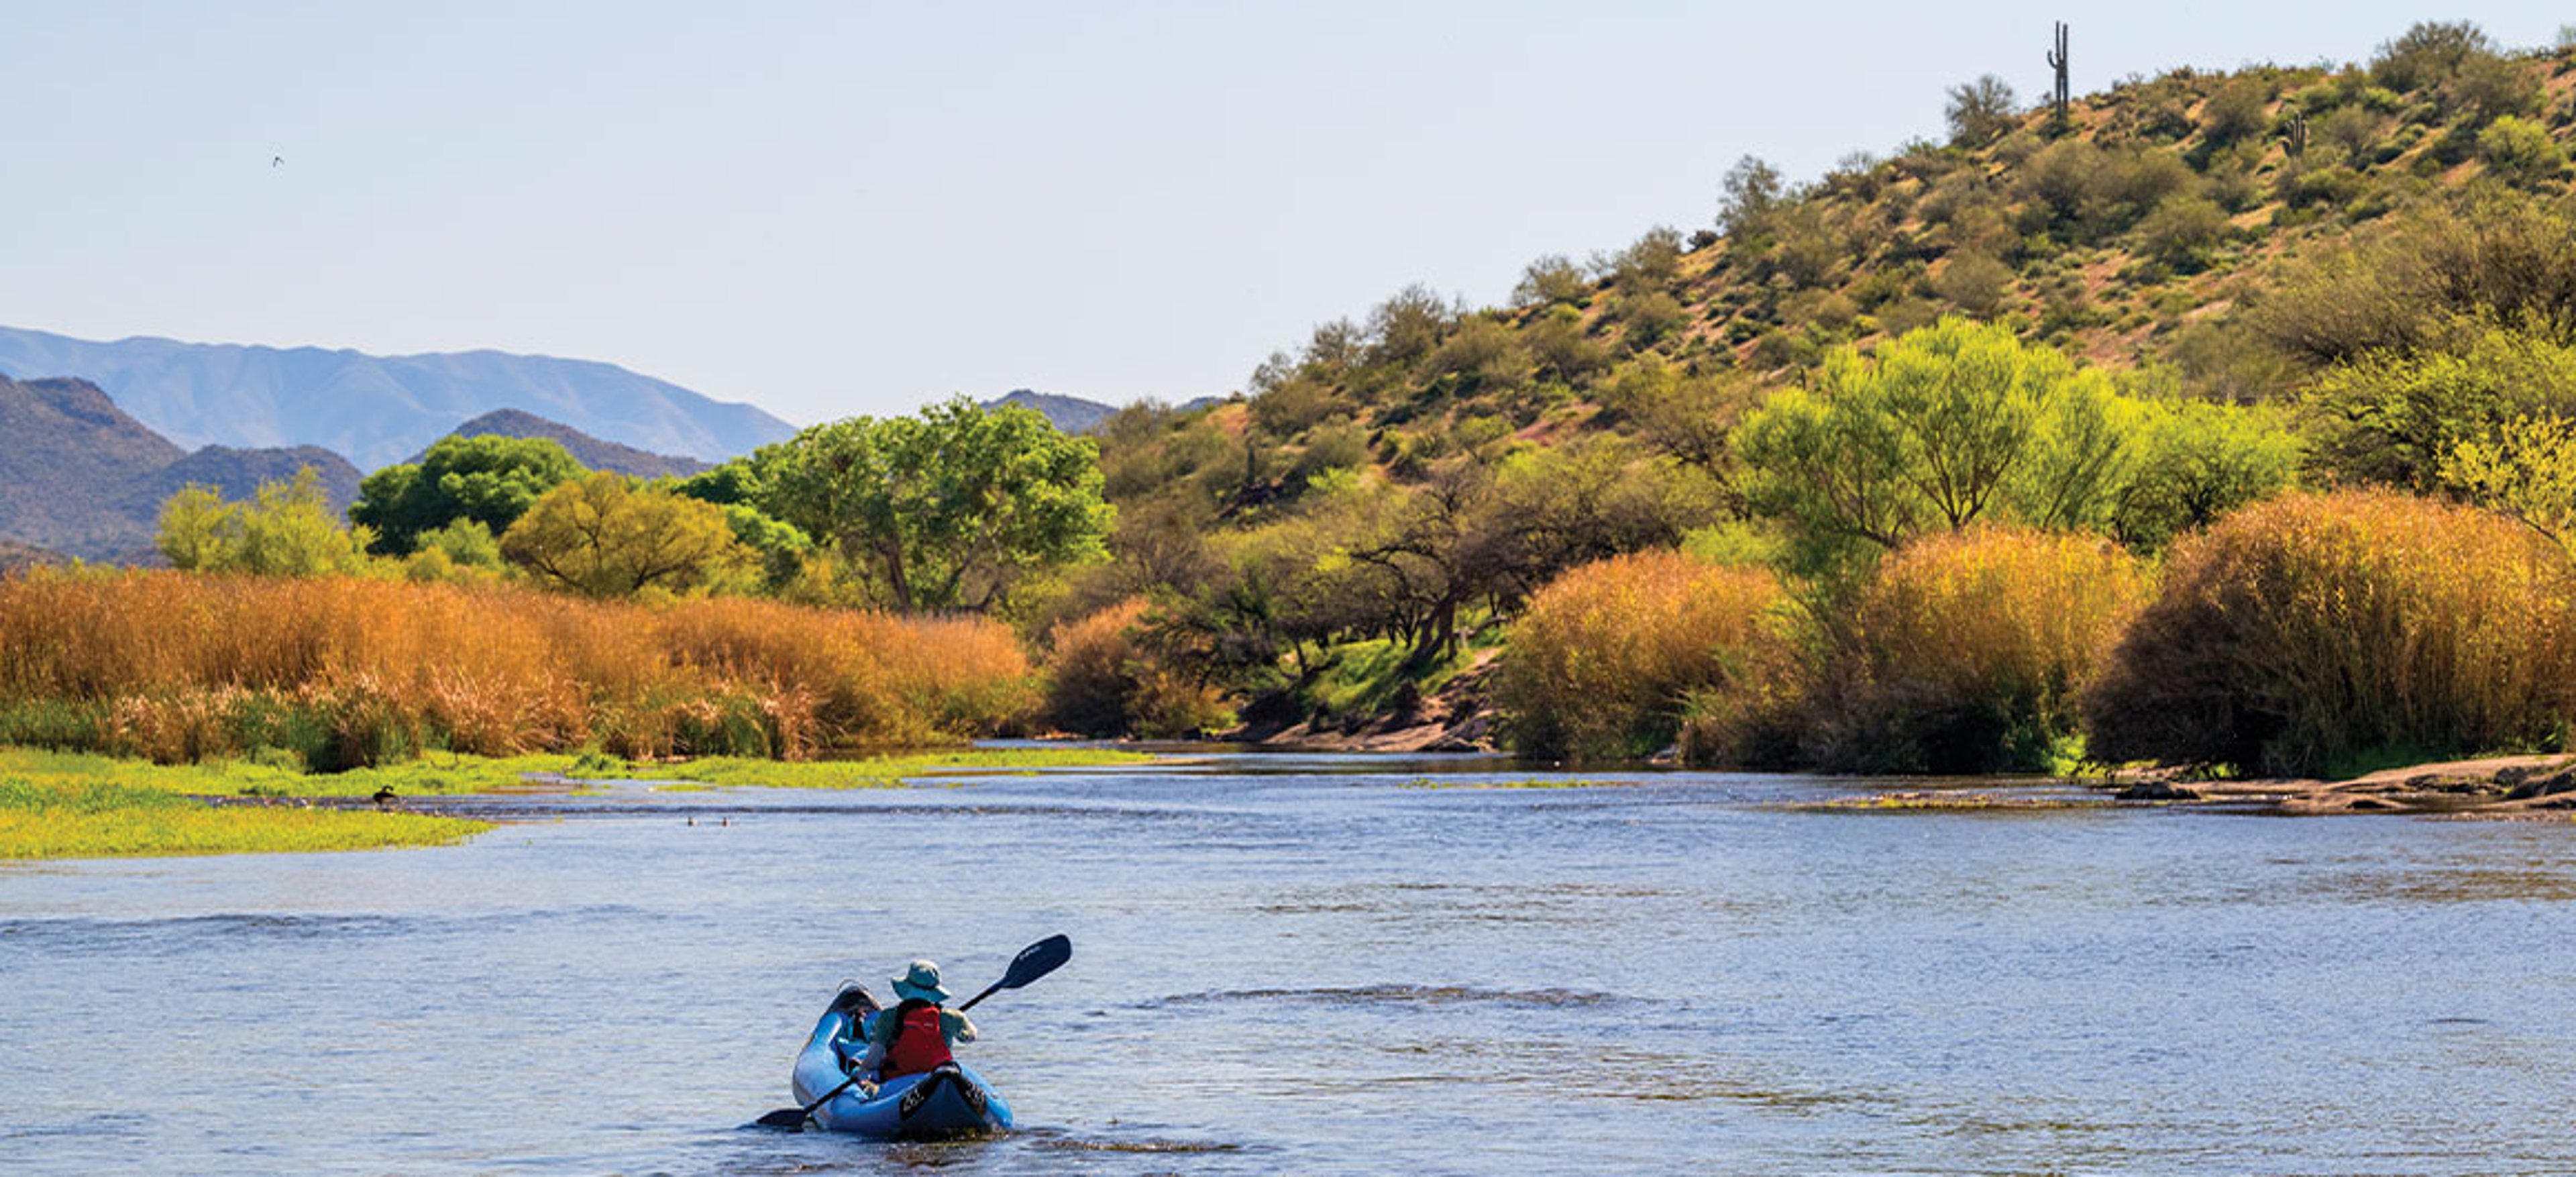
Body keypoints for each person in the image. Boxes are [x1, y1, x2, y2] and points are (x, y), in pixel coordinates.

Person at [849, 959, 977, 1094]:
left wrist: (860, 1070)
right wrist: (965, 1032)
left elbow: (873, 1061)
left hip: (897, 1082)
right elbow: (970, 1037)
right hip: (939, 1080)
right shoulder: (952, 1017)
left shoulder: (889, 1017)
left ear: (907, 987)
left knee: (858, 1070)